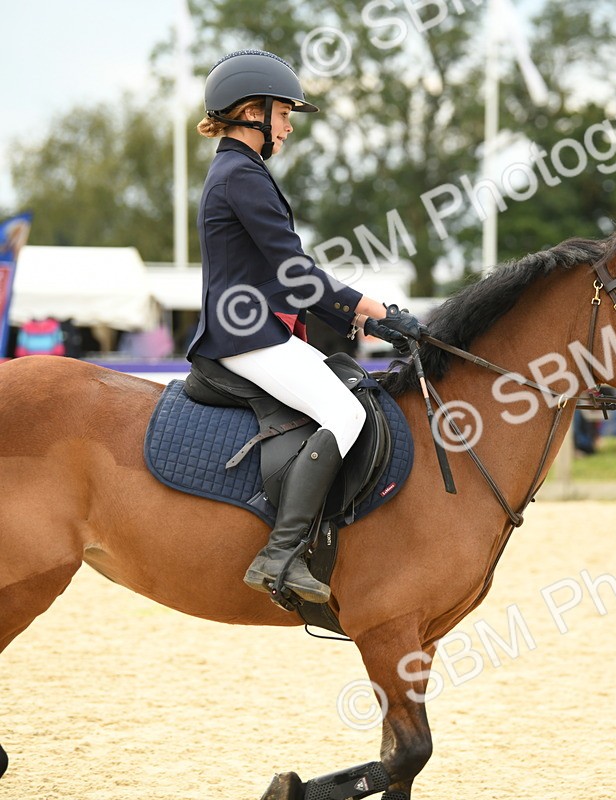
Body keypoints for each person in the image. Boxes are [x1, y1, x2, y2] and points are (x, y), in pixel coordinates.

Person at [189, 49, 422, 603]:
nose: (289, 128)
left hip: (259, 328)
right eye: (285, 114)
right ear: (252, 111)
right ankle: (280, 554)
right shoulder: (241, 176)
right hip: (244, 334)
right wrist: (375, 310)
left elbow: (289, 280)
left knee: (352, 391)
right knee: (344, 412)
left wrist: (360, 321)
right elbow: (296, 273)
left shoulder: (242, 173)